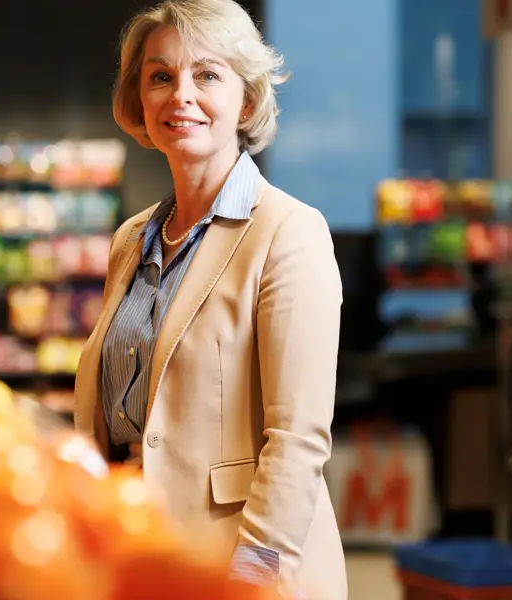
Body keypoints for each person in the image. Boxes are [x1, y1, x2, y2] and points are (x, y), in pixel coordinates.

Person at [72, 1, 347, 598]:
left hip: (236, 560)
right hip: (137, 552)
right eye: (161, 76)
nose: (181, 95)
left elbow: (298, 438)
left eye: (208, 75)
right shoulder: (131, 240)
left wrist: (251, 574)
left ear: (246, 102)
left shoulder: (288, 232)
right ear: (140, 98)